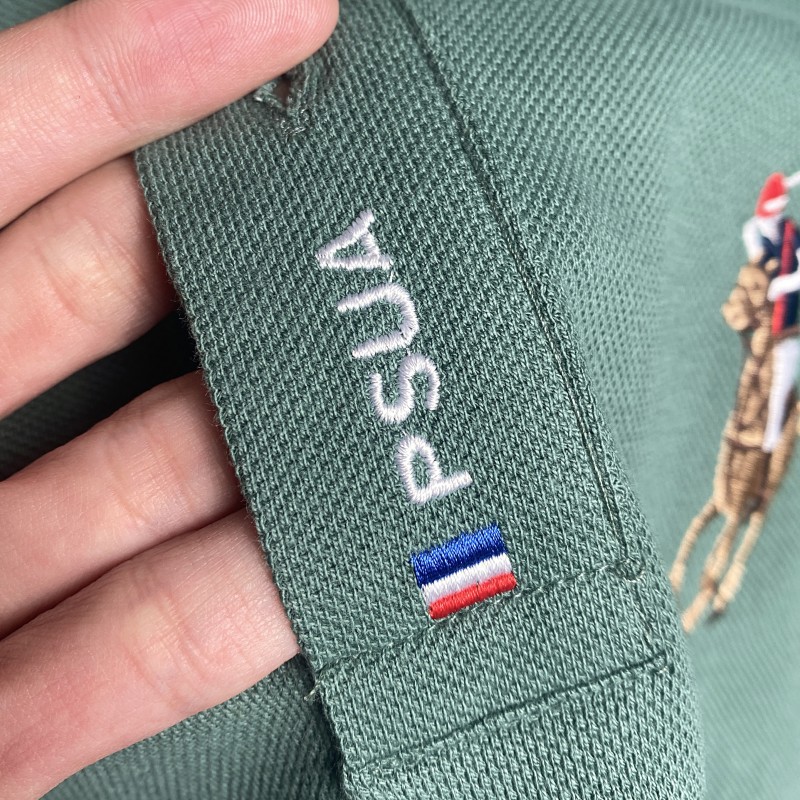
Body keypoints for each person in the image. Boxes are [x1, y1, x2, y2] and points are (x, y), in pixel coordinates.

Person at [742, 171, 800, 453]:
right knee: (766, 381)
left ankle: (773, 434)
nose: (771, 219)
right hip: (768, 325)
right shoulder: (757, 235)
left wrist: (785, 283)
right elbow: (750, 230)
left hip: (789, 323)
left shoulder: (791, 234)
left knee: (782, 377)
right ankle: (768, 432)